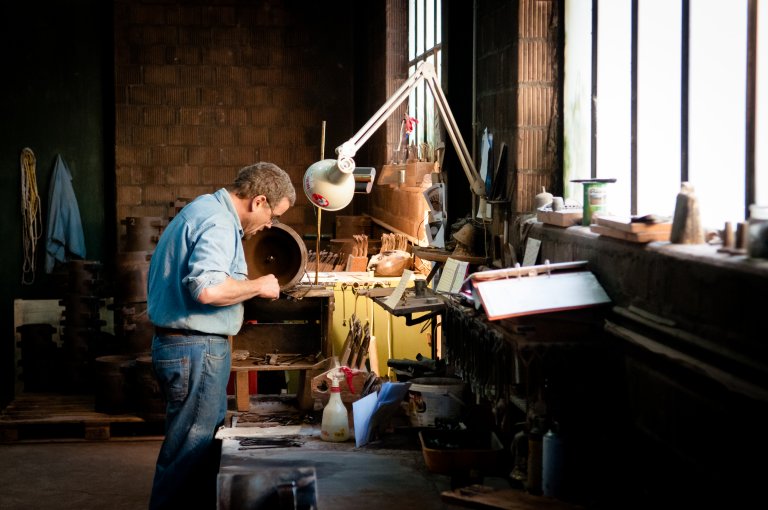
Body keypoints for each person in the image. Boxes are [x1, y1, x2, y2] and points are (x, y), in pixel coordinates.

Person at [146, 162, 296, 509]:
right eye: (273, 214)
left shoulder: (203, 209)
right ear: (259, 201)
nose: (270, 224)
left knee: (188, 450)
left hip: (184, 346)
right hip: (195, 348)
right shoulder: (218, 222)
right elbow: (207, 289)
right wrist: (258, 285)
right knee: (191, 453)